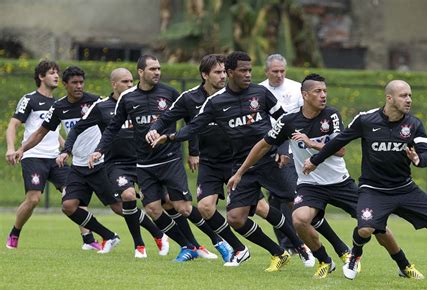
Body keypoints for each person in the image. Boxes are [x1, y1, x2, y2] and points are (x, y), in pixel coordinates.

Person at [229, 73, 423, 280]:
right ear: (305, 95)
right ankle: (324, 261)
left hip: (340, 183)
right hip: (310, 184)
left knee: (375, 225)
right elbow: (263, 145)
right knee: (299, 219)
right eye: (318, 91)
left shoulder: (331, 116)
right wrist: (240, 173)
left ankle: (404, 265)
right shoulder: (289, 120)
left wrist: (311, 143)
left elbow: (340, 150)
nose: (323, 95)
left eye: (325, 91)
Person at [303, 79, 427, 290]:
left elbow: (426, 154)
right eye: (404, 95)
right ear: (389, 98)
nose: (409, 100)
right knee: (365, 230)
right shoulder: (366, 120)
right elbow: (338, 142)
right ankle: (355, 254)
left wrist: (418, 160)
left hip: (404, 188)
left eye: (410, 95)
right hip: (374, 190)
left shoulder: (414, 124)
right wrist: (314, 161)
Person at [147, 51, 300, 272]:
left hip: (238, 162)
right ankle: (240, 248)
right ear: (205, 75)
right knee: (208, 208)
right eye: (216, 72)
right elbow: (186, 124)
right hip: (211, 163)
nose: (221, 76)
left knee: (267, 208)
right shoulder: (196, 99)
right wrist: (163, 134)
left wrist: (281, 147)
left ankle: (300, 246)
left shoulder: (253, 94)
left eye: (222, 72)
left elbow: (282, 121)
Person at [89, 55, 224, 262]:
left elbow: (192, 121)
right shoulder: (128, 98)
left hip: (170, 159)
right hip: (144, 163)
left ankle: (219, 242)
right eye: (152, 69)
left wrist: (193, 152)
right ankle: (189, 246)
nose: (157, 72)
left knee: (183, 207)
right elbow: (113, 127)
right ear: (140, 72)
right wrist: (99, 149)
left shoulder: (170, 93)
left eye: (159, 68)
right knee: (153, 209)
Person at [58, 68, 169, 258]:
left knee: (122, 205)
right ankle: (110, 236)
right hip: (93, 165)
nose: (129, 85)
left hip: (118, 164)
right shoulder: (101, 107)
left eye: (131, 81)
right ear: (114, 84)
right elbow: (77, 128)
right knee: (68, 205)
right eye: (125, 82)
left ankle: (157, 235)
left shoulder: (137, 103)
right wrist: (66, 150)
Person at [12, 66, 121, 254]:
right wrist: (21, 148)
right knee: (52, 202)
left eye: (81, 82)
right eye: (74, 83)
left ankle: (156, 232)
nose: (79, 86)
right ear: (65, 85)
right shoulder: (54, 105)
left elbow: (113, 125)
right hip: (57, 161)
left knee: (113, 205)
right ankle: (108, 236)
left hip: (87, 161)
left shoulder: (95, 101)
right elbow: (37, 131)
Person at [260, 54, 351, 262]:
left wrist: (295, 147)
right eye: (275, 71)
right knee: (280, 202)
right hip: (276, 155)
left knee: (296, 203)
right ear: (266, 72)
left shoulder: (296, 89)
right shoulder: (260, 91)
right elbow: (275, 128)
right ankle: (292, 247)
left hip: (297, 157)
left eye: (282, 70)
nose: (279, 75)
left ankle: (307, 247)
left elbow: (300, 123)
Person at [4, 60, 91, 249]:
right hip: (34, 156)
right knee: (34, 199)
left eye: (57, 73)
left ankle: (89, 240)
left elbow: (54, 132)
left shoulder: (58, 104)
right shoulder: (30, 99)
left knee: (75, 194)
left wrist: (67, 149)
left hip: (55, 158)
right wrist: (11, 148)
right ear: (41, 77)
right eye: (52, 73)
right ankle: (15, 233)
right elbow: (13, 124)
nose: (56, 76)